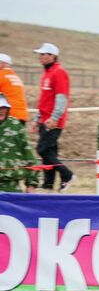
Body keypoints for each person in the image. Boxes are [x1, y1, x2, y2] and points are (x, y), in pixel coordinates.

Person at [34, 42, 75, 192]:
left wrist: (55, 118)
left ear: (52, 56)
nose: (41, 57)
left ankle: (67, 175)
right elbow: (45, 99)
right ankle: (48, 183)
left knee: (43, 150)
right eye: (40, 54)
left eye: (44, 54)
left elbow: (61, 97)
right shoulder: (47, 73)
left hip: (52, 121)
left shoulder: (59, 72)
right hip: (44, 119)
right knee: (49, 152)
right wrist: (37, 118)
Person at [0, 94, 39, 193]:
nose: (1, 110)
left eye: (4, 107)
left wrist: (31, 183)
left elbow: (29, 155)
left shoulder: (15, 126)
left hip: (12, 188)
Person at [0, 53, 29, 125]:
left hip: (8, 116)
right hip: (21, 116)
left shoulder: (1, 75)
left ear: (2, 63)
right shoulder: (16, 76)